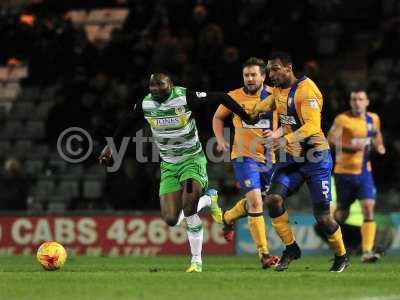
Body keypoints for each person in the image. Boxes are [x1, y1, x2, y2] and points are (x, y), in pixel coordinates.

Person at [99, 72, 254, 273]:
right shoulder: (145, 104)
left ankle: (196, 262)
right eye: (152, 86)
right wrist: (110, 147)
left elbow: (221, 97)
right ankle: (209, 200)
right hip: (169, 166)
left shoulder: (185, 96)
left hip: (191, 161)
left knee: (189, 204)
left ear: (170, 85)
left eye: (160, 85)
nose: (155, 89)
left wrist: (245, 116)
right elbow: (127, 123)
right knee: (171, 219)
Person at [250, 52, 348, 272]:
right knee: (274, 200)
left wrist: (283, 138)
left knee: (322, 218)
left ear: (289, 68)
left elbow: (313, 127)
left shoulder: (307, 90)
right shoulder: (278, 89)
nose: (271, 74)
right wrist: (254, 110)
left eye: (275, 69)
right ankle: (291, 248)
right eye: (269, 70)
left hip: (316, 158)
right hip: (292, 159)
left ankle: (341, 255)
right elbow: (270, 103)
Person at [212, 57, 279, 269]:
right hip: (243, 156)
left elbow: (290, 120)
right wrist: (221, 140)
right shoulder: (233, 96)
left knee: (262, 200)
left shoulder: (275, 95)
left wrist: (277, 133)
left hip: (269, 158)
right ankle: (264, 254)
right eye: (246, 75)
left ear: (263, 76)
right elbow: (217, 118)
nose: (249, 79)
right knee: (256, 202)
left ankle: (228, 217)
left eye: (253, 75)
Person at [328, 88, 386, 263]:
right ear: (350, 102)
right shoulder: (342, 119)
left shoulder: (373, 118)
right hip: (343, 173)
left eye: (360, 99)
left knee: (368, 208)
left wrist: (380, 146)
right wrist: (349, 147)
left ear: (367, 102)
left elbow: (376, 134)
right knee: (341, 215)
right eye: (354, 99)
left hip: (364, 172)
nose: (357, 103)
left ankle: (367, 252)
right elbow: (330, 139)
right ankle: (340, 251)